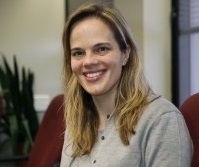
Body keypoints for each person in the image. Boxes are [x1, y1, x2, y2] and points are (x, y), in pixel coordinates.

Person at [60, 3, 192, 167]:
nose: (88, 61)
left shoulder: (161, 120)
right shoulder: (78, 122)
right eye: (78, 53)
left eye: (101, 49)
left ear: (125, 54)